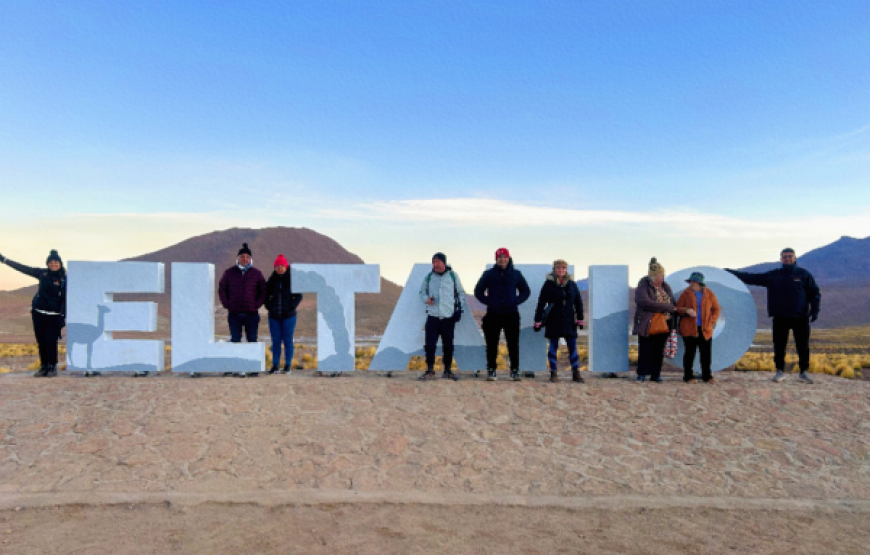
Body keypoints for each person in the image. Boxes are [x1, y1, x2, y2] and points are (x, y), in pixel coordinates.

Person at [726, 248, 821, 384]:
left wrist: (815, 310)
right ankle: (779, 371)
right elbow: (752, 278)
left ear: (794, 258)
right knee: (779, 345)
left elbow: (814, 293)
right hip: (780, 316)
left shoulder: (803, 275)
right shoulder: (774, 275)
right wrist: (731, 272)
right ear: (781, 259)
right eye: (784, 257)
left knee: (802, 345)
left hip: (800, 317)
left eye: (789, 256)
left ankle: (803, 372)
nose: (787, 258)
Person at [0, 250, 66, 377]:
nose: (53, 264)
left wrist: (63, 316)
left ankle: (52, 367)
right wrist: (5, 260)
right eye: (51, 262)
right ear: (47, 264)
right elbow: (23, 268)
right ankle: (44, 366)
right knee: (41, 340)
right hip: (39, 313)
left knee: (50, 340)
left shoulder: (64, 278)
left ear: (60, 263)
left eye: (56, 262)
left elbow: (67, 298)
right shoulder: (42, 274)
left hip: (54, 316)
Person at [474, 247, 531, 381]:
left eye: (505, 257)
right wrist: (489, 301)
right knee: (492, 343)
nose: (502, 259)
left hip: (511, 314)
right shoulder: (488, 274)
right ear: (496, 259)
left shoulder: (516, 274)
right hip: (493, 314)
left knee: (513, 343)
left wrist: (515, 301)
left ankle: (515, 371)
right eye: (500, 257)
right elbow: (478, 291)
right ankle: (491, 370)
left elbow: (525, 291)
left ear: (508, 258)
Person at [633, 258, 693, 383]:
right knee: (646, 349)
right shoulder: (643, 286)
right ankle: (642, 374)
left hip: (665, 322)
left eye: (663, 275)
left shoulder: (665, 286)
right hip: (649, 323)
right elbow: (645, 302)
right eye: (660, 275)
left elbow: (672, 302)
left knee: (658, 350)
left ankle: (656, 374)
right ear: (653, 276)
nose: (662, 278)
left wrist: (682, 310)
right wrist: (667, 307)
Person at [217, 243, 266, 377]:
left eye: (247, 257)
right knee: (235, 340)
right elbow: (221, 288)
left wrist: (257, 304)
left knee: (252, 339)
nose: (245, 259)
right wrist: (227, 304)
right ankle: (234, 367)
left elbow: (263, 290)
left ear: (250, 259)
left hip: (251, 313)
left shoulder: (257, 274)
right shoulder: (229, 273)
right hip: (234, 313)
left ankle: (253, 368)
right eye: (242, 256)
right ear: (238, 258)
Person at [533, 260, 585, 383]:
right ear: (554, 269)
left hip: (568, 320)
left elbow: (578, 302)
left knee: (572, 346)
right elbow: (541, 302)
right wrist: (538, 320)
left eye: (563, 268)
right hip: (553, 320)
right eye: (558, 268)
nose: (560, 270)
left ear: (566, 269)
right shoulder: (548, 284)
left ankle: (576, 372)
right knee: (552, 347)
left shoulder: (572, 284)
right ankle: (553, 372)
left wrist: (580, 318)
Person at [418, 252, 467, 381]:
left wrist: (459, 309)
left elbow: (461, 293)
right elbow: (422, 292)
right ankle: (430, 370)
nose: (435, 264)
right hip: (433, 316)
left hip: (448, 317)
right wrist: (426, 299)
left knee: (448, 345)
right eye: (433, 262)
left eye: (438, 262)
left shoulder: (452, 276)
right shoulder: (429, 277)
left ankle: (447, 370)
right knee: (430, 345)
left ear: (444, 262)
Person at [676, 272, 721, 383]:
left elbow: (716, 309)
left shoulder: (709, 293)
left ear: (700, 283)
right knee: (690, 353)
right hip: (689, 328)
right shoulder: (685, 294)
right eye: (690, 281)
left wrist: (711, 322)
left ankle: (707, 376)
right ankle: (688, 376)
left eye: (694, 282)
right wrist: (686, 310)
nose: (691, 284)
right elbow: (678, 309)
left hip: (705, 328)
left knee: (706, 353)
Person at [265, 254, 302, 374]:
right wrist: (269, 306)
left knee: (287, 340)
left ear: (286, 266)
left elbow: (298, 295)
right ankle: (275, 365)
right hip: (274, 316)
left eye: (282, 265)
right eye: (277, 266)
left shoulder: (292, 279)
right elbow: (265, 295)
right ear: (274, 267)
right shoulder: (272, 280)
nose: (280, 268)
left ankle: (287, 365)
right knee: (275, 341)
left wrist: (291, 307)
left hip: (289, 316)